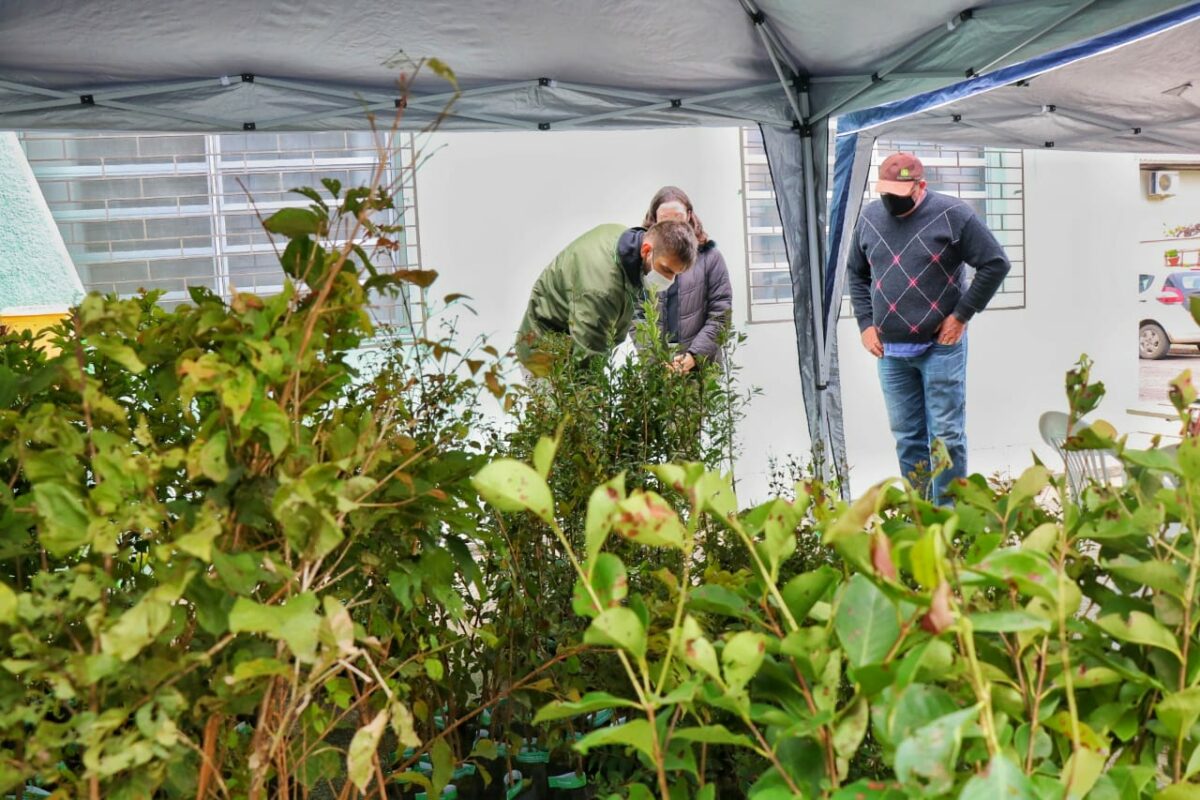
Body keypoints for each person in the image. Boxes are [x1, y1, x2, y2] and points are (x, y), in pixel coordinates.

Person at [847, 152, 1011, 501]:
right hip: (890, 351)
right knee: (907, 437)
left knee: (946, 436)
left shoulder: (954, 215)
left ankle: (949, 519)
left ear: (921, 186)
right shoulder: (869, 217)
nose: (890, 200)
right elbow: (856, 273)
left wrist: (962, 315)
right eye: (885, 192)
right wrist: (865, 324)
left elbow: (995, 263)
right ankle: (920, 518)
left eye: (899, 192)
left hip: (941, 347)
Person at [515, 220, 697, 368]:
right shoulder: (601, 290)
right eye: (666, 269)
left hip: (578, 338)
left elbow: (643, 320)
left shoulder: (634, 253)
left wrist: (658, 366)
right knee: (565, 410)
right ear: (647, 251)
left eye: (675, 274)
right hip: (543, 350)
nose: (669, 279)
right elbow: (587, 364)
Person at [634, 187, 733, 373]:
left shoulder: (710, 257)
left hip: (701, 368)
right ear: (654, 220)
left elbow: (721, 314)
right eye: (665, 219)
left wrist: (694, 356)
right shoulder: (644, 258)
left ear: (689, 215)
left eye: (678, 218)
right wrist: (654, 362)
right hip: (657, 370)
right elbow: (636, 315)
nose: (673, 225)